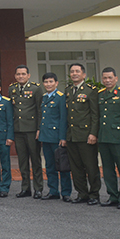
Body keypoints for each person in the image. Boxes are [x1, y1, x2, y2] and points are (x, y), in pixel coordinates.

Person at [97, 67, 120, 209]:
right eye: (105, 78)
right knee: (107, 169)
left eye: (110, 78)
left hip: (118, 137)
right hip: (104, 137)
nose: (107, 80)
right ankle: (113, 195)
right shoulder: (100, 94)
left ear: (116, 78)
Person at [65, 63, 100, 205]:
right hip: (72, 135)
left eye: (77, 71)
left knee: (91, 166)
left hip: (86, 136)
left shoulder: (91, 91)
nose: (74, 74)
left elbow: (95, 115)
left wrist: (93, 133)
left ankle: (94, 194)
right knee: (76, 167)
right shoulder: (68, 90)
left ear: (84, 74)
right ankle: (82, 193)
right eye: (72, 71)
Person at [9, 65, 43, 199]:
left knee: (35, 160)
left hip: (32, 130)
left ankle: (38, 188)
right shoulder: (12, 89)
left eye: (23, 74)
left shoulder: (36, 89)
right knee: (22, 161)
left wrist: (39, 128)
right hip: (18, 130)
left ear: (28, 75)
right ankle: (25, 188)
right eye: (18, 74)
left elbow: (40, 110)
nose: (20, 76)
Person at [37, 72, 71, 202]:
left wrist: (63, 138)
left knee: (62, 166)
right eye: (46, 82)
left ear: (56, 83)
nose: (48, 84)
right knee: (50, 166)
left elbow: (63, 119)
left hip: (57, 137)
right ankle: (53, 191)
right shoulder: (44, 97)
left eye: (51, 82)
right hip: (46, 137)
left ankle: (66, 192)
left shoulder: (61, 97)